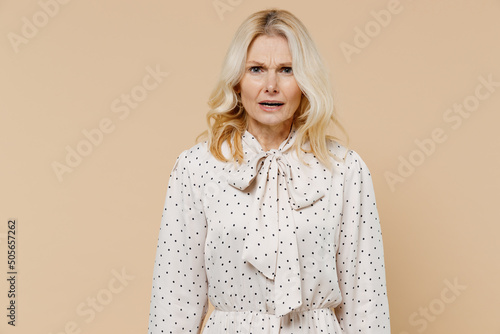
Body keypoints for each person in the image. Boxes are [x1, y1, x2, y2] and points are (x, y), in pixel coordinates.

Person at [148, 8, 390, 334]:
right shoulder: (197, 168)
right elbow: (174, 300)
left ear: (305, 82)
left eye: (287, 70)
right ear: (237, 81)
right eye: (257, 69)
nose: (271, 85)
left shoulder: (345, 169)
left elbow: (367, 302)